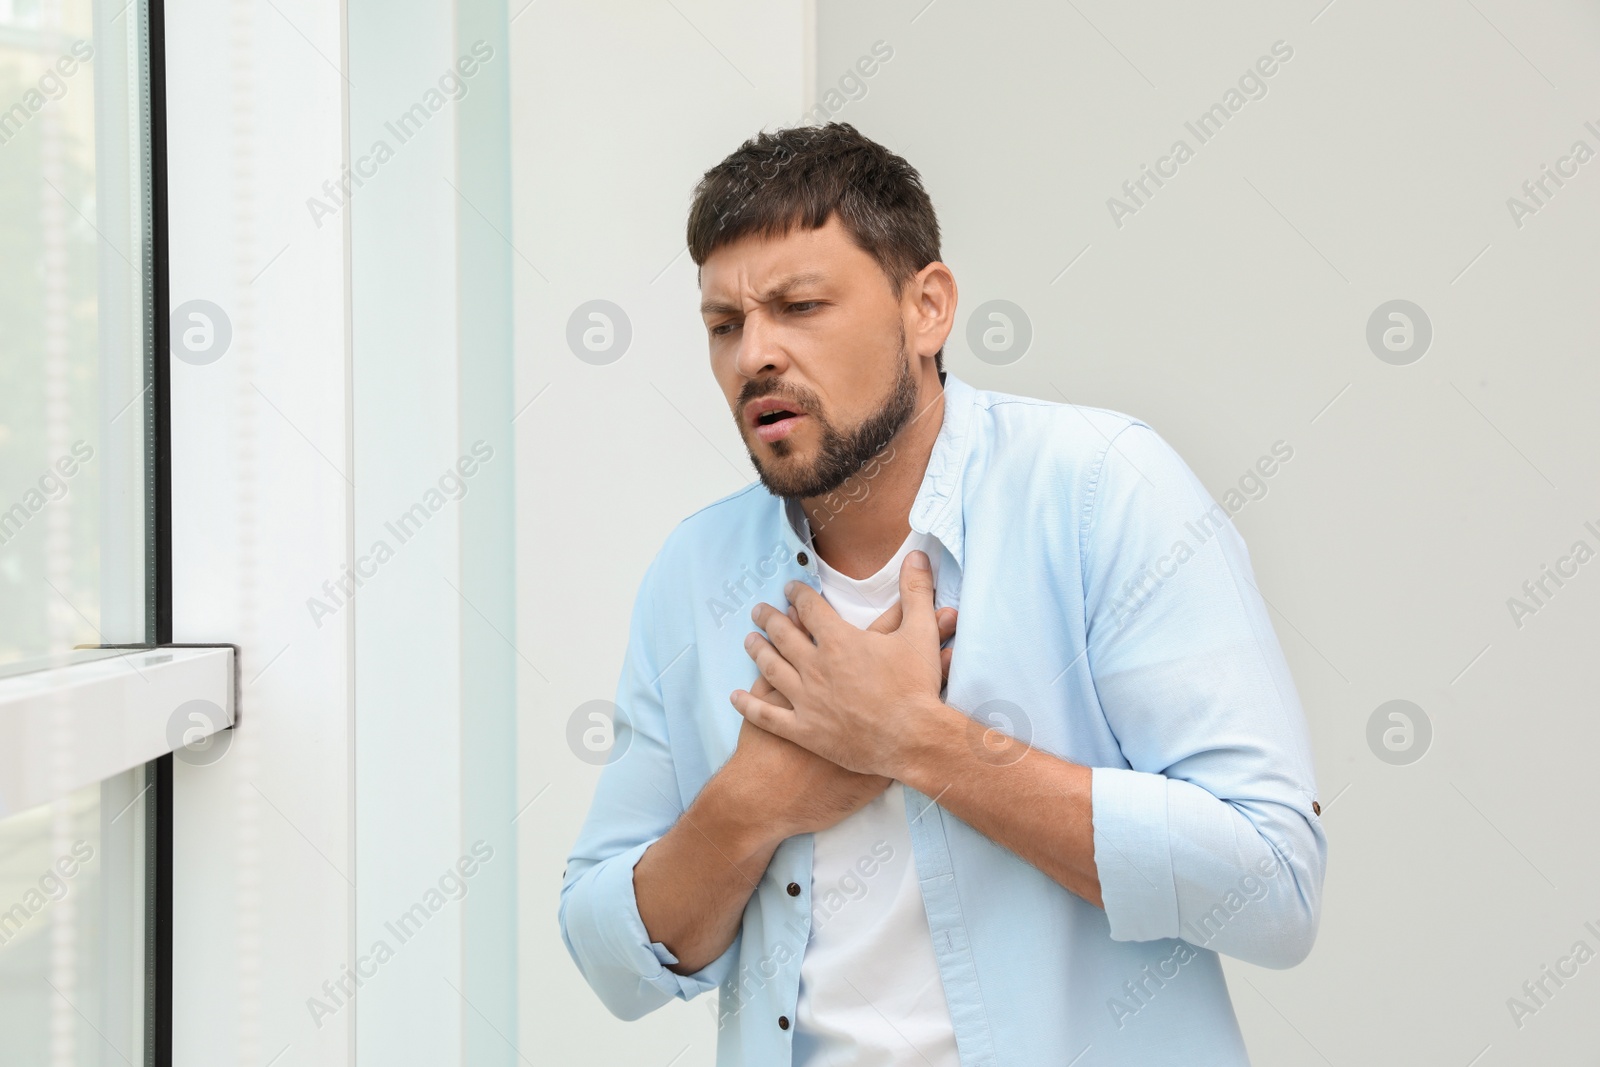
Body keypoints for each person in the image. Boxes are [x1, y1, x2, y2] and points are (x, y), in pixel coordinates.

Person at [559, 121, 1326, 1066]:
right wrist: (753, 800)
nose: (755, 353)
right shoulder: (696, 571)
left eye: (799, 305)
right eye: (725, 324)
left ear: (928, 308)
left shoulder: (1103, 491)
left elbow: (1275, 883)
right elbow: (609, 957)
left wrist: (918, 742)